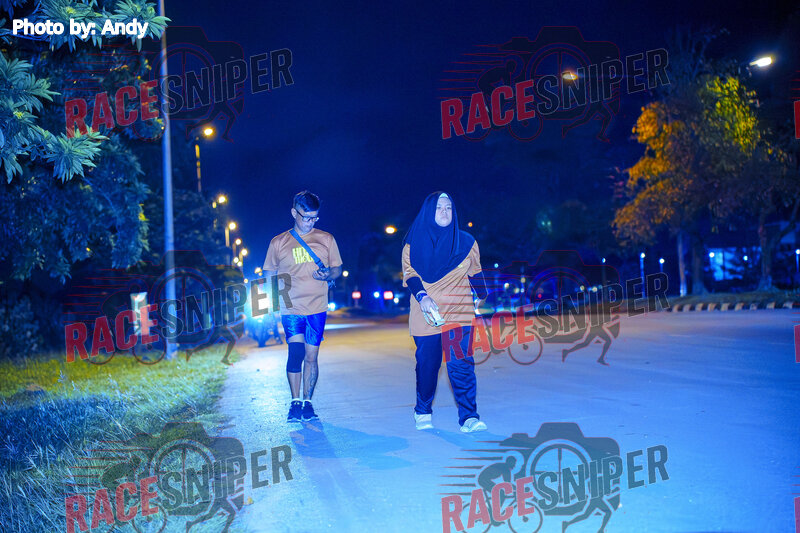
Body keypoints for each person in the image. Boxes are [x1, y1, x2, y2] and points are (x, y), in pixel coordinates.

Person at [402, 192, 488, 433]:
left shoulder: (467, 242)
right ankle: (422, 410)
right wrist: (422, 296)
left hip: (459, 312)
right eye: (439, 207)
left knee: (461, 365)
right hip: (427, 312)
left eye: (448, 207)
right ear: (429, 212)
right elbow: (410, 274)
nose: (444, 212)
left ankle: (469, 417)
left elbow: (475, 271)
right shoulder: (413, 244)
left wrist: (482, 295)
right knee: (428, 365)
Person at [263, 191, 343, 422]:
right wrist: (271, 306)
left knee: (311, 356)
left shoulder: (326, 239)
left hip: (317, 306)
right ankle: (294, 401)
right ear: (294, 213)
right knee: (296, 352)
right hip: (290, 307)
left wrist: (329, 274)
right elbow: (269, 275)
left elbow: (337, 269)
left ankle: (307, 402)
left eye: (314, 218)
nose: (310, 222)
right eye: (306, 217)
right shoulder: (278, 243)